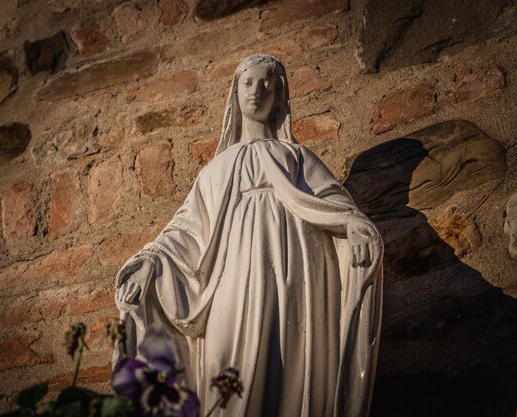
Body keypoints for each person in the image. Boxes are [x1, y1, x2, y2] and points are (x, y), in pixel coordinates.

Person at [114, 54, 383, 417]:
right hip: (234, 278)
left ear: (279, 95)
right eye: (247, 83)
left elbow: (333, 202)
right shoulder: (216, 170)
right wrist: (151, 262)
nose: (256, 92)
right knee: (228, 362)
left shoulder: (297, 158)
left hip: (294, 276)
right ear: (234, 93)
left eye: (266, 84)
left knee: (290, 361)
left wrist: (355, 225)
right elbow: (187, 230)